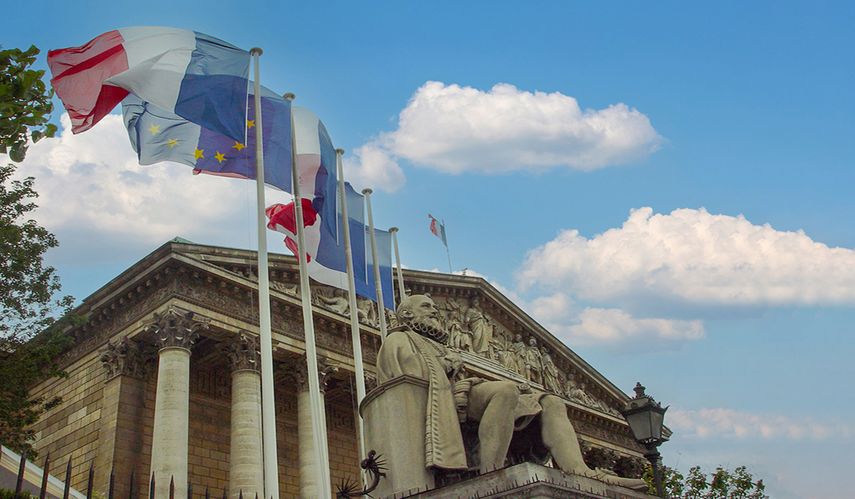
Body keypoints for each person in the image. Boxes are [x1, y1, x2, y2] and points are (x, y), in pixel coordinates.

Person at [375, 295, 645, 490]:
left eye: (436, 307)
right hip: (442, 400)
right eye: (427, 307)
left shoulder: (441, 344)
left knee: (550, 401)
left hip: (465, 394)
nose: (436, 311)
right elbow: (408, 380)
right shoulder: (399, 338)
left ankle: (580, 470)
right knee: (503, 391)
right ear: (407, 314)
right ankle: (491, 474)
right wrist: (448, 365)